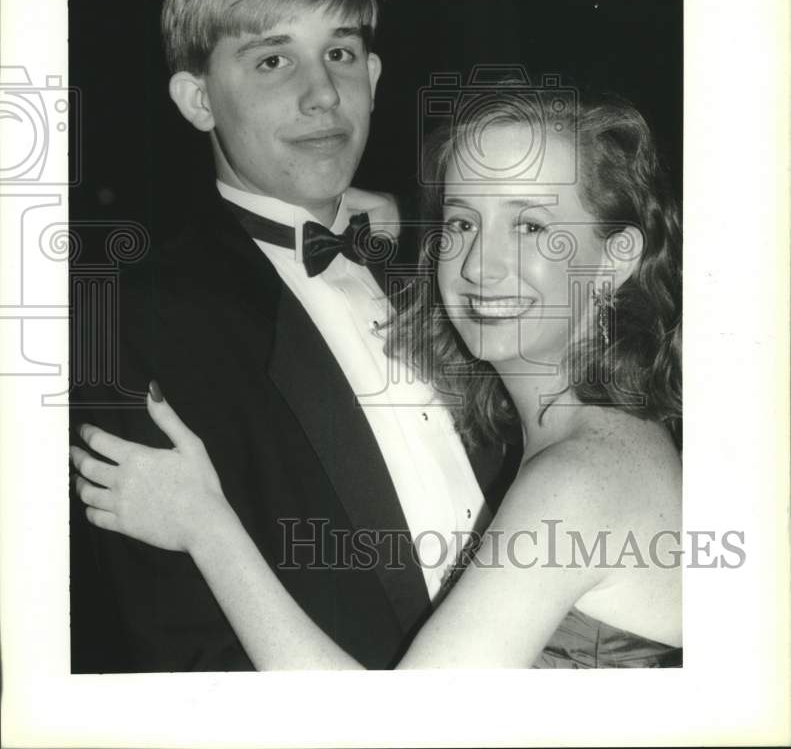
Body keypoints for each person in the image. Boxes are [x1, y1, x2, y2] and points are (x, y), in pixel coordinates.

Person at [72, 91, 683, 668]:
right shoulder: (615, 433)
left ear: (616, 255)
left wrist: (206, 526)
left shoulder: (577, 480)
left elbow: (391, 727)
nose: (479, 265)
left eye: (530, 226)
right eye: (462, 223)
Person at [69, 0, 513, 672]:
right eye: (272, 59)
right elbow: (184, 651)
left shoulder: (456, 261)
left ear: (372, 77)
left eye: (338, 54)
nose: (322, 94)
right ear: (197, 99)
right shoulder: (131, 321)